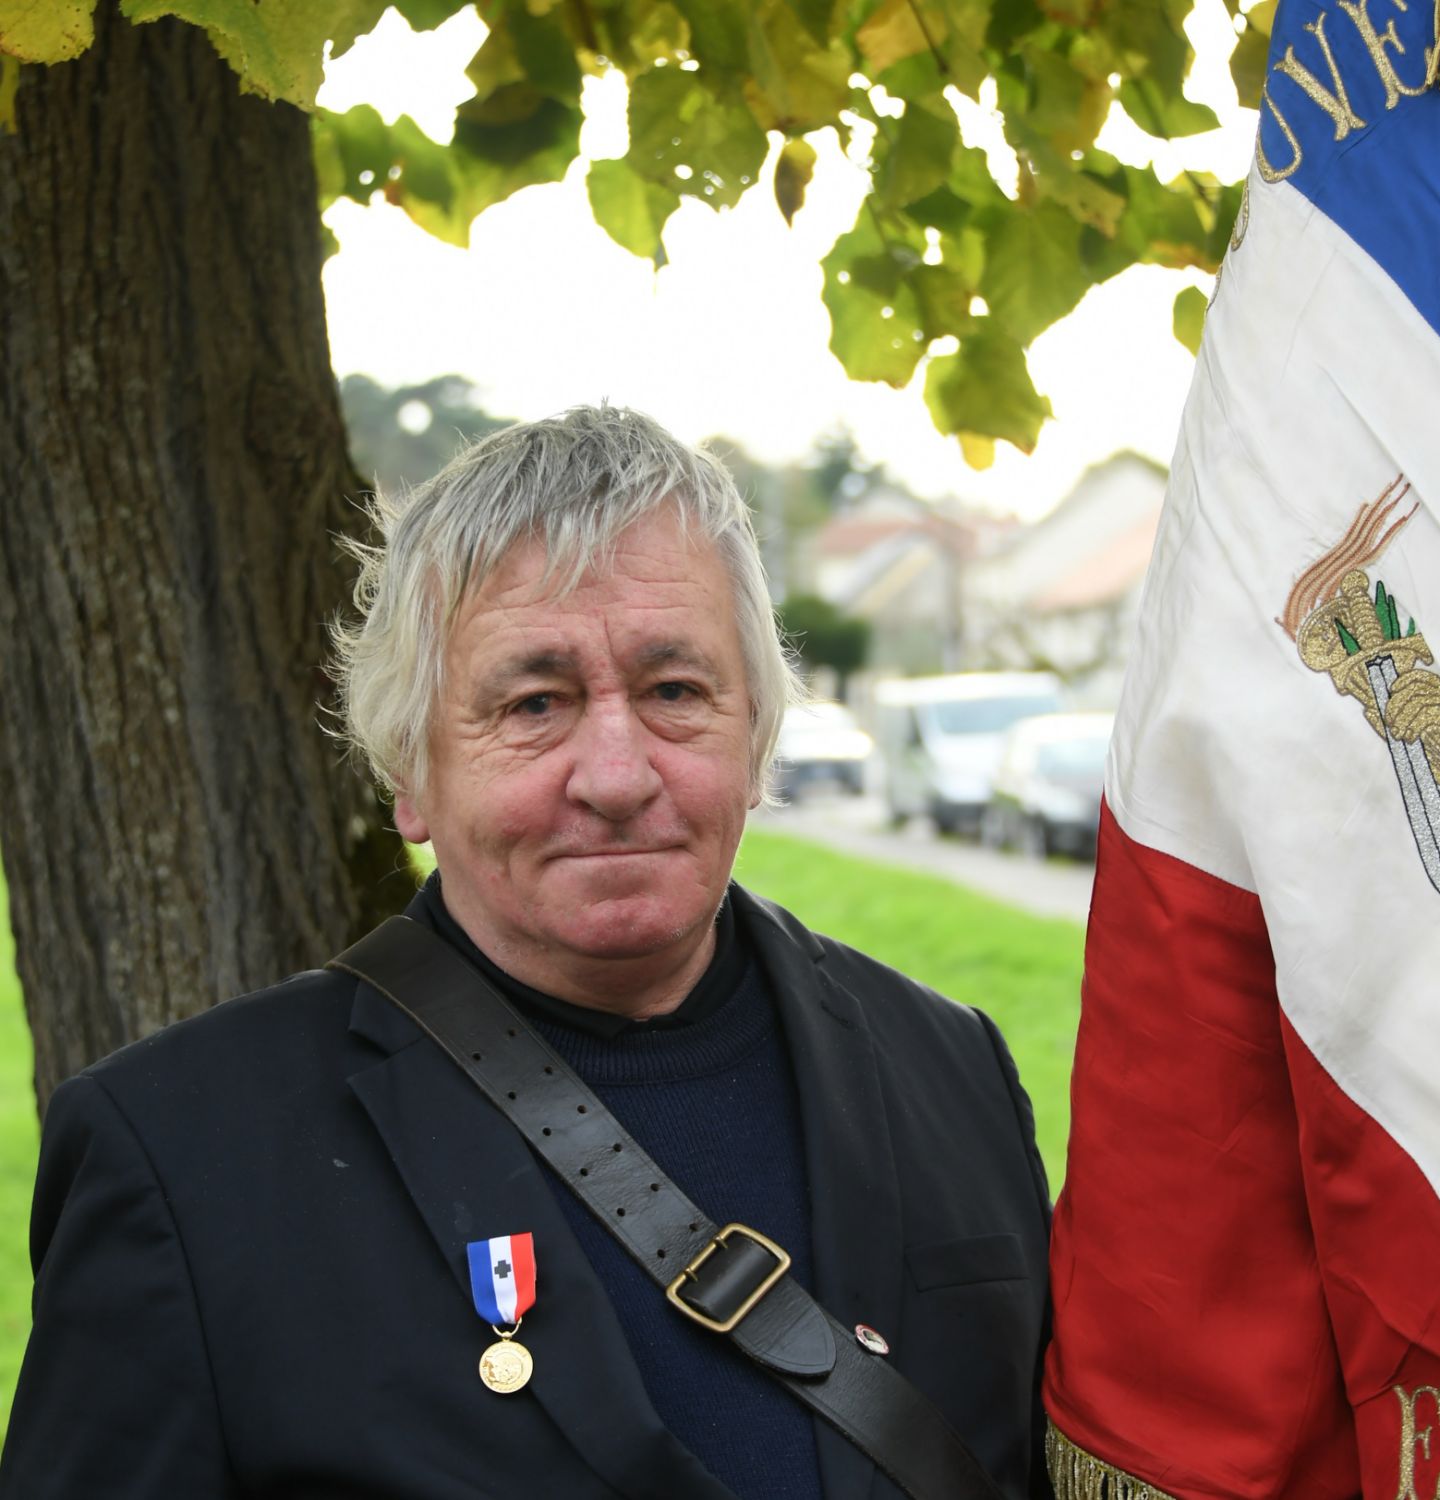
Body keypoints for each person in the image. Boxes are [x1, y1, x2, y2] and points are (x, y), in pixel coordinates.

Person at [0, 405, 1052, 1500]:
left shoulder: (955, 1071)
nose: (617, 776)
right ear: (409, 769)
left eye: (674, 692)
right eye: (535, 703)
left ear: (756, 737)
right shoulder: (180, 1156)